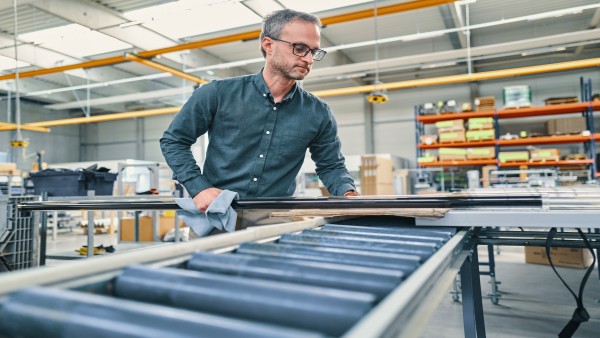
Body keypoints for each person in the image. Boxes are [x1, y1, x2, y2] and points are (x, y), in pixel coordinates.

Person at [160, 8, 358, 232]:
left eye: (314, 51)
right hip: (216, 215)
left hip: (273, 222)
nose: (308, 59)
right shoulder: (216, 94)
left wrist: (348, 194)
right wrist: (199, 187)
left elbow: (331, 165)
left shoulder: (318, 112)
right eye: (300, 48)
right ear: (268, 44)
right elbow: (174, 141)